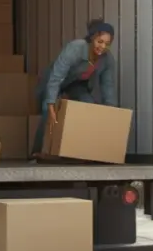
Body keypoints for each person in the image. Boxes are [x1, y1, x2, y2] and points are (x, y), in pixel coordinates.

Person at [31, 18, 119, 158]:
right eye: (100, 42)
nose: (102, 47)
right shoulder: (76, 48)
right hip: (56, 79)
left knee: (88, 105)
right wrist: (51, 104)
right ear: (92, 38)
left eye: (107, 44)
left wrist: (112, 117)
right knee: (48, 111)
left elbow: (108, 87)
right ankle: (37, 152)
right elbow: (57, 76)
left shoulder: (107, 60)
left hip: (76, 84)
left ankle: (79, 151)